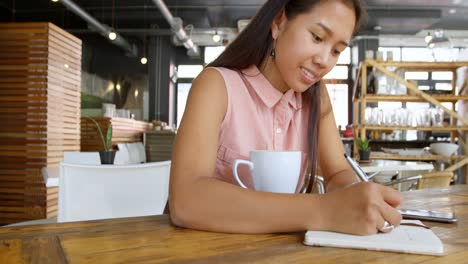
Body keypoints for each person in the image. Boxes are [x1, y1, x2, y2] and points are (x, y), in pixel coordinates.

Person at [169, 0, 403, 235]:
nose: (324, 60)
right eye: (317, 37)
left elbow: (337, 173)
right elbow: (186, 200)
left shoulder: (317, 98)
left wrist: (354, 197)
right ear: (279, 22)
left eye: (336, 51)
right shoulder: (216, 85)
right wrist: (324, 210)